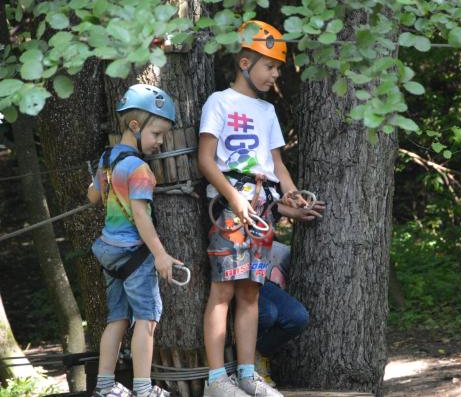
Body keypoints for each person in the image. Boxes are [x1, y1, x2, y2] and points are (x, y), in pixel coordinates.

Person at [198, 20, 306, 397]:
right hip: (231, 204)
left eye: (277, 67)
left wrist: (291, 194)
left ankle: (246, 373)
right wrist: (232, 197)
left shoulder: (267, 111)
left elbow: (277, 166)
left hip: (262, 207)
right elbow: (206, 160)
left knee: (251, 294)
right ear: (245, 62)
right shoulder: (219, 102)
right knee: (223, 291)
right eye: (270, 66)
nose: (275, 74)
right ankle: (216, 379)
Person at [87, 84, 183, 397]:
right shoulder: (139, 168)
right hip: (133, 255)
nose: (160, 142)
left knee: (117, 319)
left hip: (108, 251)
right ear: (134, 126)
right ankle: (143, 389)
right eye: (156, 133)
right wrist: (161, 255)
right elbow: (141, 217)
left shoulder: (108, 158)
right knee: (146, 319)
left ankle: (104, 386)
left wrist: (107, 183)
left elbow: (92, 196)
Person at [256, 201, 325, 385]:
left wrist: (298, 209)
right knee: (267, 313)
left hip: (259, 276)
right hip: (231, 278)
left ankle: (257, 353)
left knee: (297, 317)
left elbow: (272, 204)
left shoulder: (266, 194)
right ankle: (241, 363)